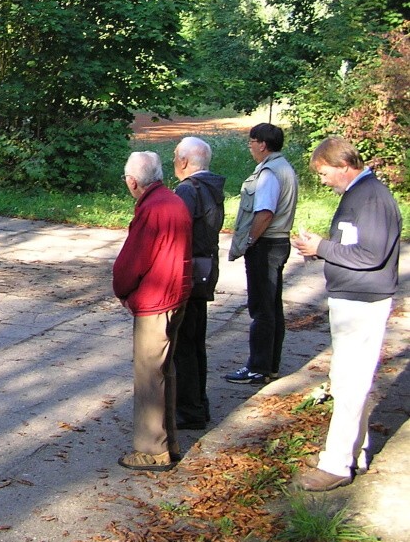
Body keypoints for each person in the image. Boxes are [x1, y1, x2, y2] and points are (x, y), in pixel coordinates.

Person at [292, 138, 402, 491]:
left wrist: (322, 247)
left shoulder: (370, 198)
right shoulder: (359, 195)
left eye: (324, 172)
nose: (322, 180)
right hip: (352, 298)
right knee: (345, 380)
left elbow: (371, 255)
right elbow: (355, 247)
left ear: (343, 165)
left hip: (363, 301)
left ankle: (337, 465)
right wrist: (319, 250)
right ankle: (355, 452)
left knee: (350, 383)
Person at [112, 151, 192, 471]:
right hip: (177, 296)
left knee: (148, 377)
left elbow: (132, 262)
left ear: (133, 181)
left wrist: (122, 289)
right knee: (164, 372)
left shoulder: (152, 210)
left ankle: (151, 450)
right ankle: (168, 441)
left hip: (157, 302)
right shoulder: (173, 201)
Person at [225, 123, 298, 385]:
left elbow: (264, 212)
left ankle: (258, 367)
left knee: (261, 308)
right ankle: (270, 365)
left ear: (262, 145)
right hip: (278, 242)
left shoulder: (269, 173)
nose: (250, 146)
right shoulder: (285, 167)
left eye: (251, 142)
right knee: (271, 307)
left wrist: (250, 241)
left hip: (267, 245)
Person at [171, 137, 225, 430]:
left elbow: (177, 234)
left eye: (175, 158)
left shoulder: (187, 190)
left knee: (185, 344)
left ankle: (190, 409)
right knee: (194, 342)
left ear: (183, 161)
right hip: (204, 270)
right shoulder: (212, 186)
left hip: (190, 274)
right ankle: (197, 405)